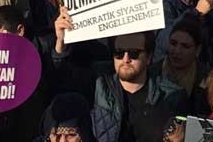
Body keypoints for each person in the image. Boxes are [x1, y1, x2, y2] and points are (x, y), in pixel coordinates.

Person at [53, 15, 189, 142]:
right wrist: (61, 43)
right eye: (119, 53)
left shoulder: (173, 95)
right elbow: (62, 80)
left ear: (148, 57)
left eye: (134, 53)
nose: (125, 59)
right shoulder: (98, 82)